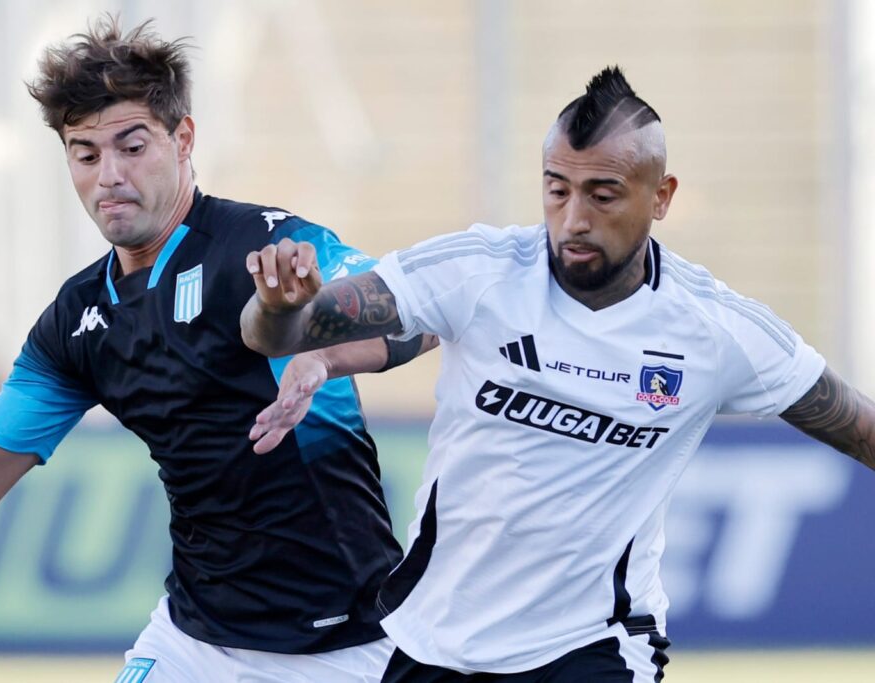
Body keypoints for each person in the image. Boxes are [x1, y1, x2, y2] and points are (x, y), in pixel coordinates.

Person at [240, 66, 875, 682]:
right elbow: (282, 333)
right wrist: (278, 308)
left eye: (603, 195)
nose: (573, 218)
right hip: (435, 640)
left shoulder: (714, 330)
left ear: (662, 196)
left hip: (594, 644)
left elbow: (857, 424)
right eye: (556, 190)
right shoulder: (478, 272)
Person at [0, 16, 437, 683]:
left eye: (132, 146)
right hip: (190, 640)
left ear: (184, 139)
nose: (109, 174)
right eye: (85, 154)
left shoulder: (261, 248)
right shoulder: (77, 318)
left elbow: (416, 311)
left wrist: (318, 339)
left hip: (345, 646)